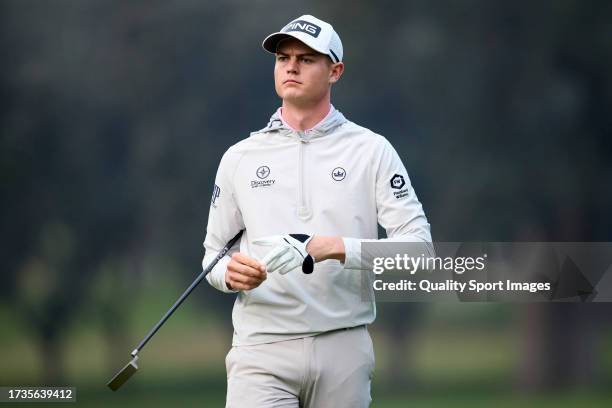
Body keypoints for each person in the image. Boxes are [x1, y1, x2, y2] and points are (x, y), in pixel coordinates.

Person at [202, 14, 432, 408]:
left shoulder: (371, 150)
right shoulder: (239, 157)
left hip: (343, 346)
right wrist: (229, 273)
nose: (291, 66)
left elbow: (420, 253)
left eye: (306, 59)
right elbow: (213, 256)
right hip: (261, 350)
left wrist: (336, 247)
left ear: (335, 71)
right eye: (283, 58)